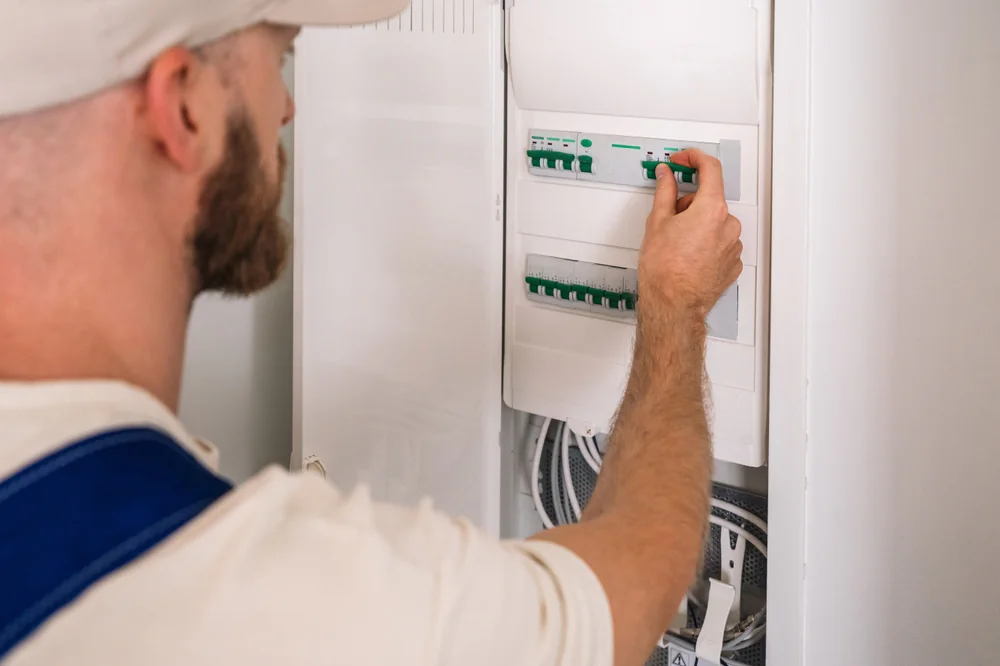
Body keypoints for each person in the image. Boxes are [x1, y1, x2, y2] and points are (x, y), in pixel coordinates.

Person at [0, 1, 743, 665]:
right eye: (280, 56)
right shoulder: (242, 597)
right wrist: (675, 308)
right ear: (183, 108)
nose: (288, 106)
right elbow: (628, 593)